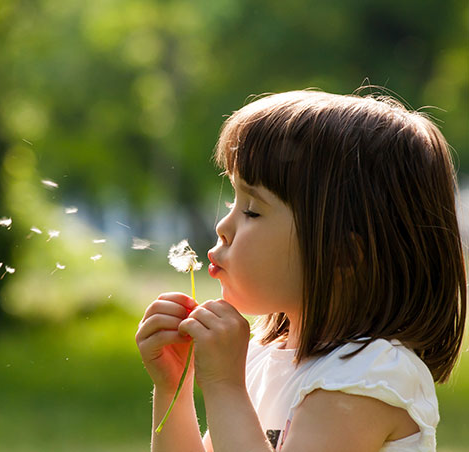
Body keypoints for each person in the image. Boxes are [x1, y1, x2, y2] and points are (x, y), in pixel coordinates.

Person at [135, 90, 467, 452]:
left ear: (341, 254)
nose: (222, 227)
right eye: (234, 200)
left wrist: (225, 387)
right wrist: (173, 390)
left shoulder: (366, 377)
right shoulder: (265, 358)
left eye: (252, 211)